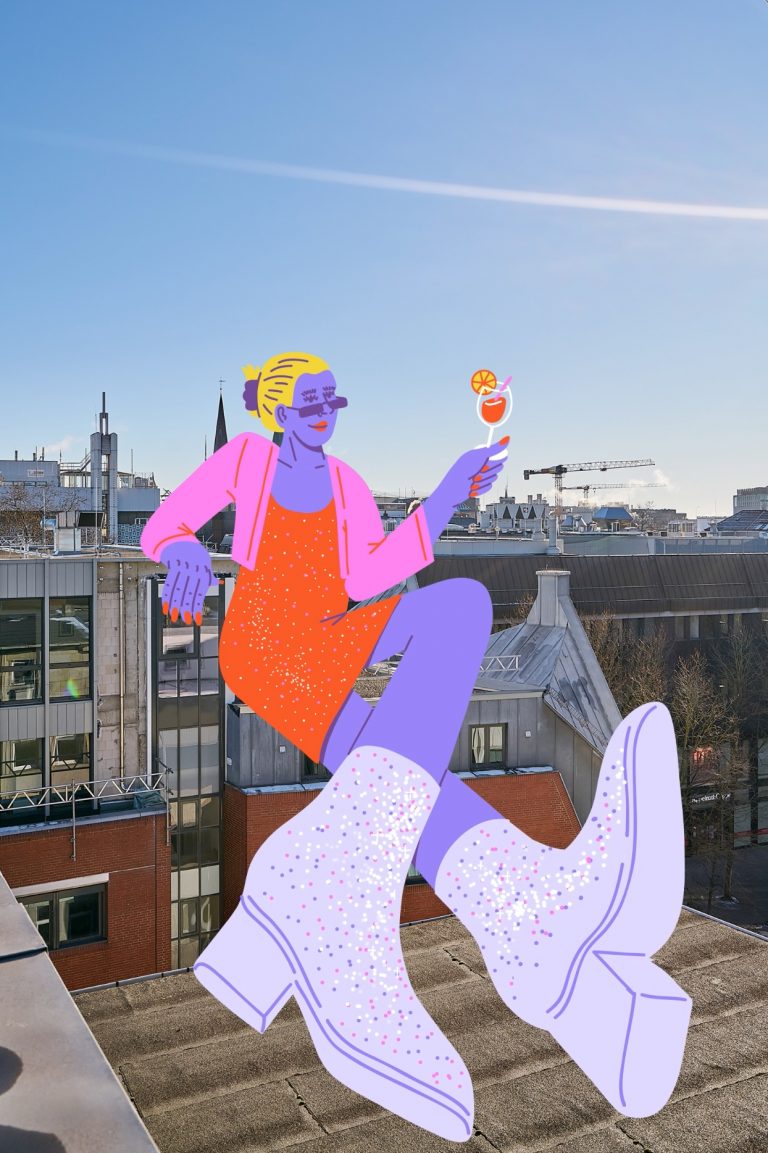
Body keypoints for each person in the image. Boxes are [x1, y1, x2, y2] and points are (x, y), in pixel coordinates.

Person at [141, 352, 689, 1138]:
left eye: (331, 400)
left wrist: (445, 496)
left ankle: (531, 928)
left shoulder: (347, 485)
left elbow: (370, 575)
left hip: (332, 638)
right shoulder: (249, 462)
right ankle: (503, 917)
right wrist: (183, 548)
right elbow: (165, 523)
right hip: (265, 648)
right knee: (405, 748)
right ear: (278, 411)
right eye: (310, 402)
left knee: (456, 613)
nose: (324, 412)